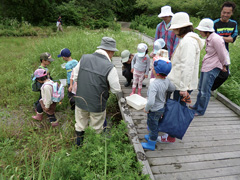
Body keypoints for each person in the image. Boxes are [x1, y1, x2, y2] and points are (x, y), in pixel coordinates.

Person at [158, 12, 205, 143]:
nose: (173, 32)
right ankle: (170, 133)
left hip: (182, 84)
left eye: (174, 29)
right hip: (181, 83)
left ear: (180, 28)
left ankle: (171, 136)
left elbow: (187, 66)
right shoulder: (187, 40)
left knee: (177, 110)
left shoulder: (188, 42)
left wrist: (183, 88)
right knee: (177, 108)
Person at [73, 37, 121, 146]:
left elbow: (75, 77)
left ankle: (79, 147)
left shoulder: (84, 58)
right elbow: (116, 89)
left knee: (80, 124)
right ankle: (92, 149)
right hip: (97, 103)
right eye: (113, 53)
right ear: (110, 51)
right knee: (96, 128)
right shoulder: (110, 67)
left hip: (80, 99)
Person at [191, 18, 229, 116]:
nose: (199, 31)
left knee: (205, 90)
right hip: (206, 65)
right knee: (200, 88)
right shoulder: (209, 38)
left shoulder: (216, 39)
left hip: (213, 66)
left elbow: (222, 53)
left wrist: (224, 65)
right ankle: (196, 105)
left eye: (201, 30)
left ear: (206, 30)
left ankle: (200, 110)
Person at [141, 59, 175, 151]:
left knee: (153, 126)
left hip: (153, 109)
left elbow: (151, 101)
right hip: (161, 108)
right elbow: (172, 88)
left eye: (153, 68)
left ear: (156, 73)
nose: (152, 68)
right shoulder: (167, 81)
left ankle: (151, 143)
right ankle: (152, 136)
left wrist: (146, 108)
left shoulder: (154, 84)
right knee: (155, 123)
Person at [211, 1, 238, 91]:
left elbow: (232, 39)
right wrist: (226, 38)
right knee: (211, 72)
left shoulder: (233, 24)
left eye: (228, 13)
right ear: (221, 12)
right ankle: (205, 90)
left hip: (225, 52)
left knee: (224, 75)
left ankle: (209, 89)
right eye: (224, 12)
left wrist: (219, 37)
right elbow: (212, 39)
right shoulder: (214, 24)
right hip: (213, 52)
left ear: (232, 13)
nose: (225, 15)